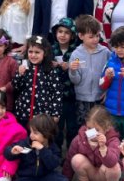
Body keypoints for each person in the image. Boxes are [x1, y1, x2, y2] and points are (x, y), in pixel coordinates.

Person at [13, 35, 63, 129]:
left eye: (37, 52)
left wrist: (55, 113)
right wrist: (19, 75)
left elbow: (57, 93)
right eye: (30, 52)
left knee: (40, 139)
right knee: (24, 139)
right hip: (23, 113)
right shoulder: (24, 67)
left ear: (44, 53)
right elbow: (15, 87)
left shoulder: (50, 70)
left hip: (42, 116)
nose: (33, 55)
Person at [69, 15, 111, 127]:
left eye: (97, 36)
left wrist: (107, 91)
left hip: (100, 98)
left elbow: (111, 74)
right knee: (83, 128)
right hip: (82, 99)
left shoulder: (105, 52)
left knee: (100, 127)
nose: (96, 39)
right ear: (81, 36)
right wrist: (72, 71)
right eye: (91, 37)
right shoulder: (76, 54)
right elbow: (76, 80)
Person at [62, 106, 121, 181]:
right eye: (89, 128)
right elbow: (68, 162)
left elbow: (111, 163)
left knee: (114, 168)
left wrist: (103, 148)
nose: (92, 132)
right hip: (89, 173)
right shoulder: (79, 139)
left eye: (97, 129)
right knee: (76, 159)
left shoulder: (113, 140)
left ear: (107, 128)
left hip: (104, 175)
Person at [4, 114, 67, 181]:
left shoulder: (53, 147)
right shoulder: (26, 143)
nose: (31, 135)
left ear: (47, 134)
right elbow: (6, 152)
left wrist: (43, 150)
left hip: (46, 176)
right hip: (27, 177)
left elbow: (53, 164)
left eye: (35, 133)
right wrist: (12, 151)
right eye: (31, 132)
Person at [50, 17, 79, 149]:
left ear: (72, 35)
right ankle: (56, 154)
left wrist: (70, 67)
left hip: (72, 97)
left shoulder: (76, 51)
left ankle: (71, 155)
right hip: (55, 97)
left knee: (72, 127)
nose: (62, 35)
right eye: (60, 31)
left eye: (66, 32)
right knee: (57, 127)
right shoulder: (50, 50)